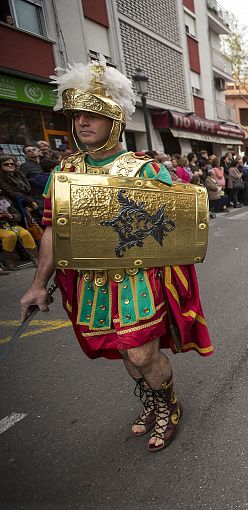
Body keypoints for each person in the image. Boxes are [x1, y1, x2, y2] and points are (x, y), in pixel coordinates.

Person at [18, 59, 213, 453]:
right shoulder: (65, 173)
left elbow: (177, 225)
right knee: (121, 349)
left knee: (140, 349)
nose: (82, 123)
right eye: (77, 116)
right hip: (90, 280)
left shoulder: (145, 170)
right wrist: (37, 285)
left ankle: (168, 405)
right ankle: (154, 398)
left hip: (138, 277)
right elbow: (54, 230)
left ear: (115, 121)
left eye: (93, 115)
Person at [0, 187, 38, 270]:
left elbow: (18, 216)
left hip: (11, 225)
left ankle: (35, 258)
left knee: (25, 234)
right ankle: (9, 261)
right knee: (10, 235)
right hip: (1, 228)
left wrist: (11, 216)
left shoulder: (6, 201)